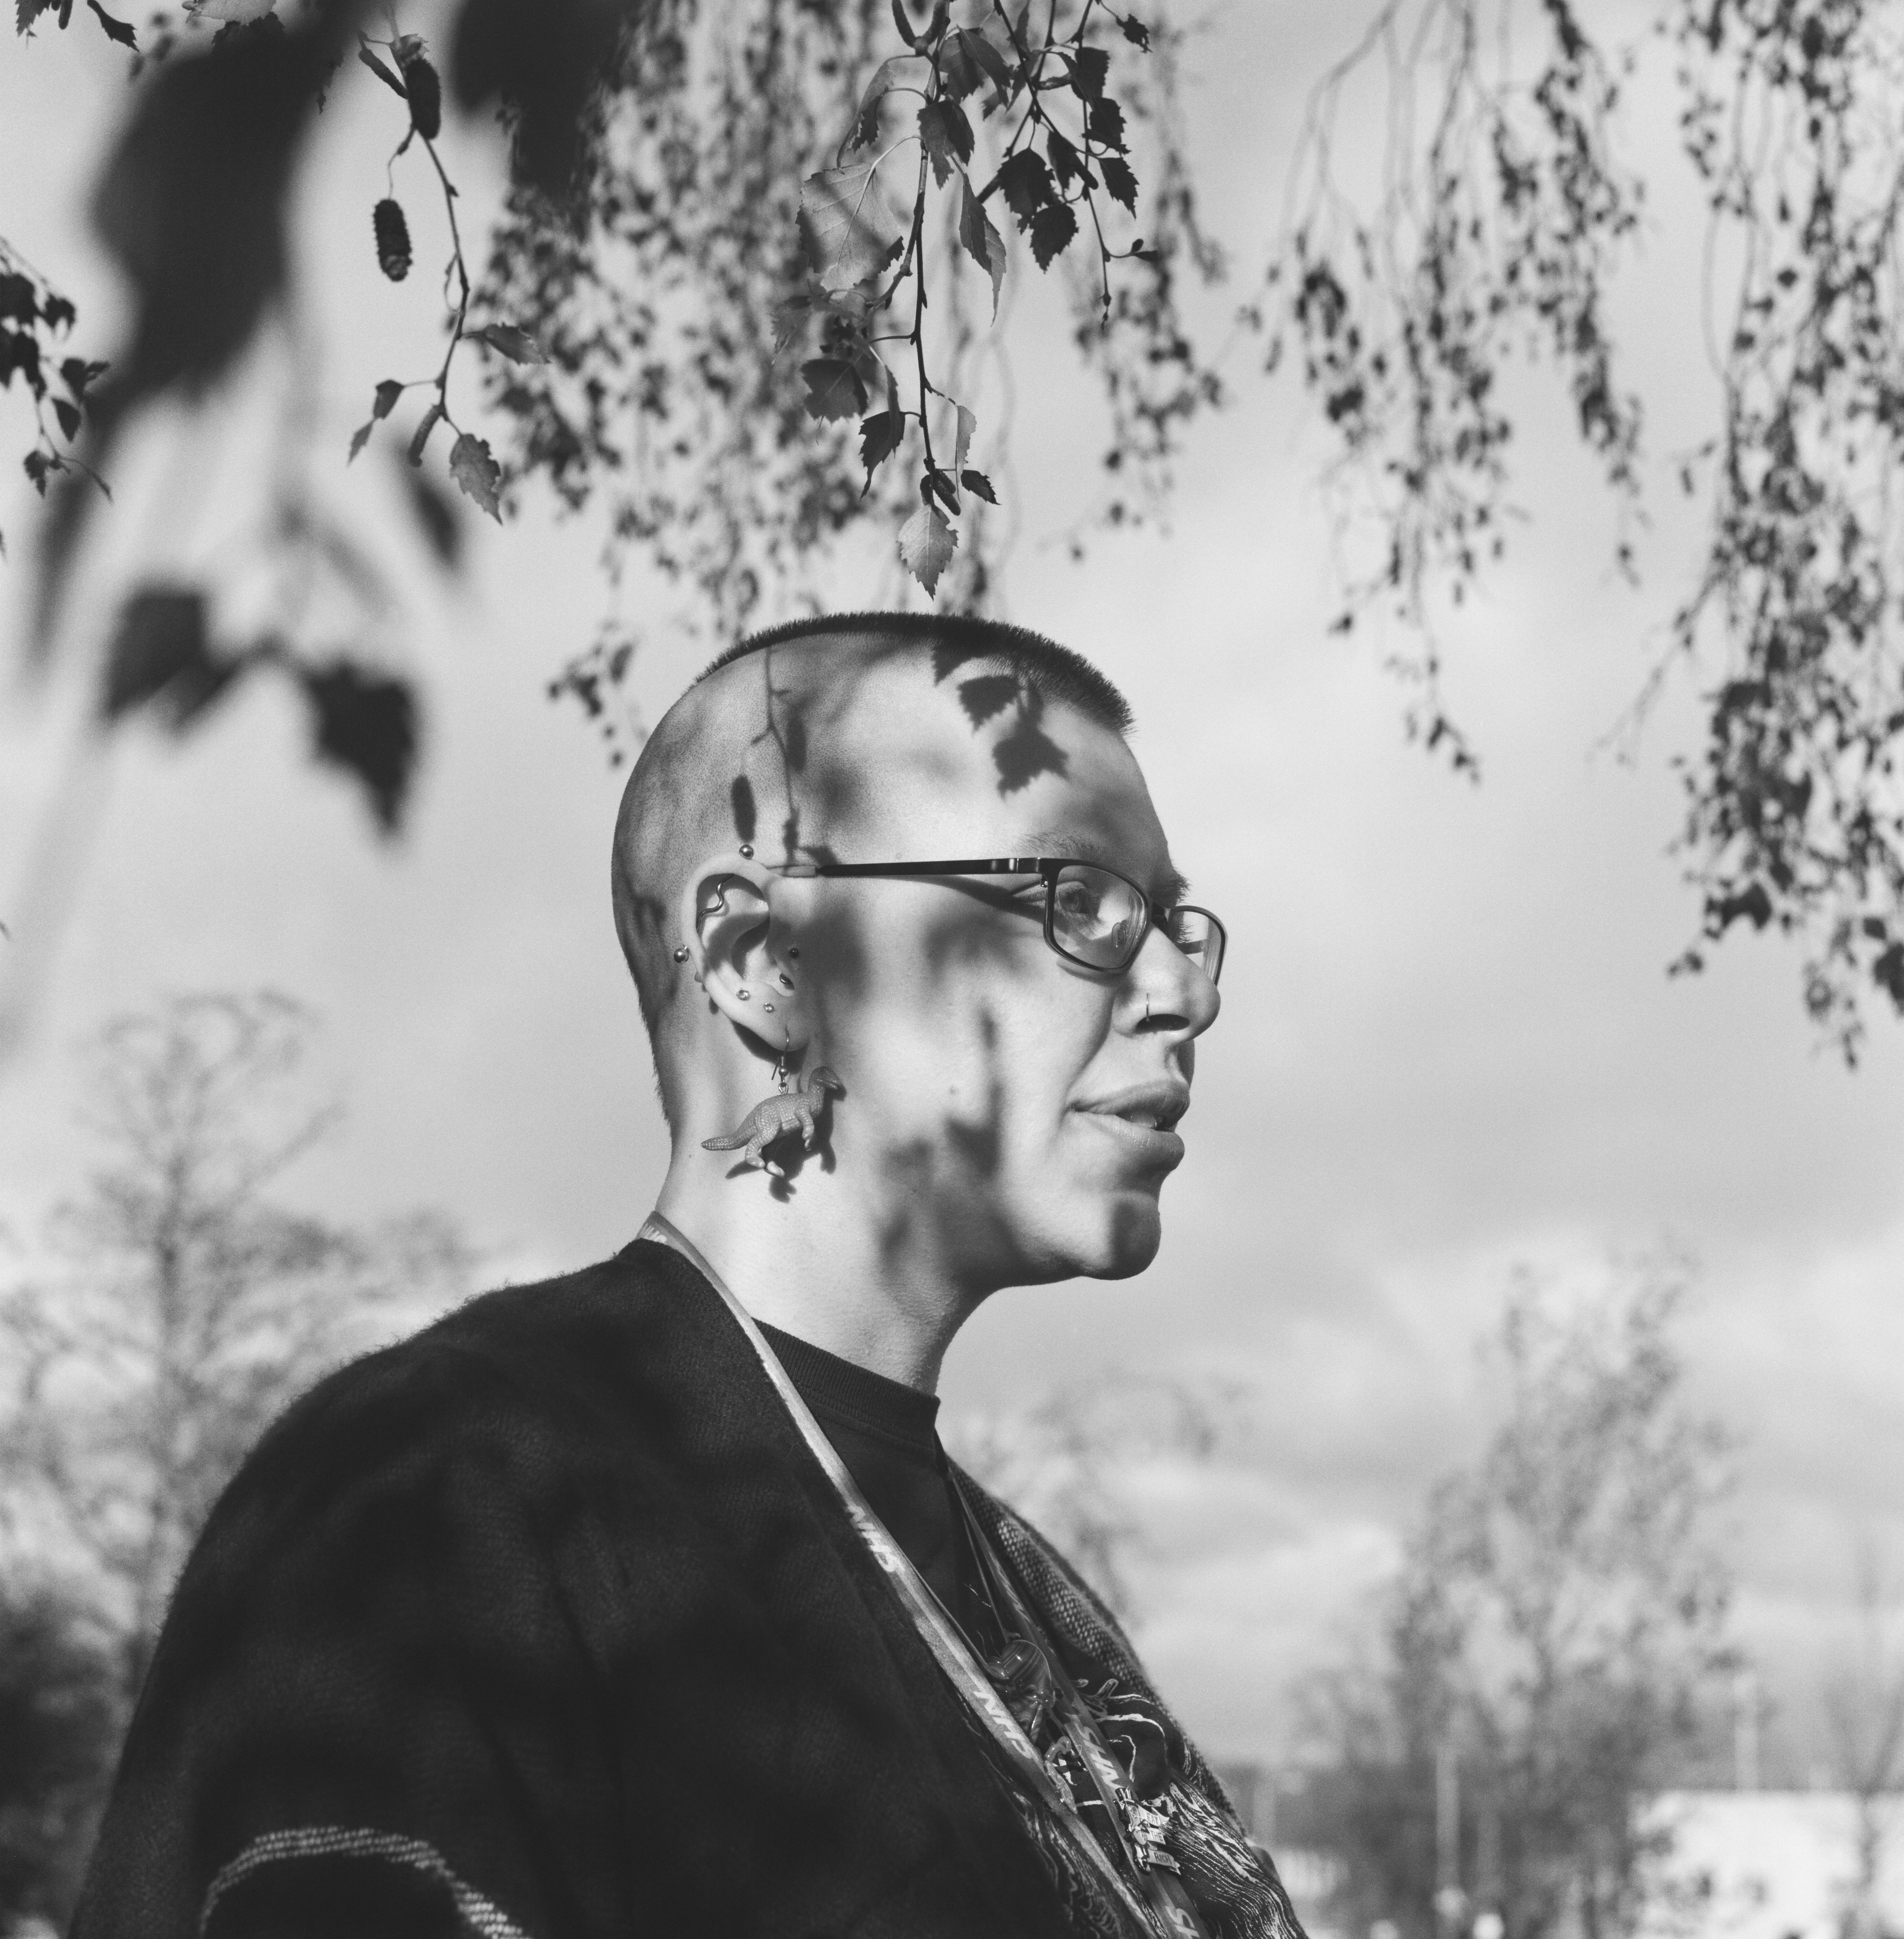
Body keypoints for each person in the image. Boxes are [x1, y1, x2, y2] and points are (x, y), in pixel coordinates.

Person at [73, 613, 1302, 1939]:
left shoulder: (1037, 1598)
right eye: (1079, 901)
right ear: (763, 964)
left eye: (1175, 919)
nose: (1184, 988)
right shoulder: (447, 1507)